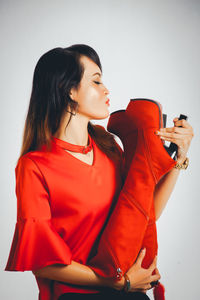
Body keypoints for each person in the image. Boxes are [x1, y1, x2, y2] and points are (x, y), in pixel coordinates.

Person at [5, 44, 194, 300]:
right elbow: (42, 262)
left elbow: (146, 212)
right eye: (96, 82)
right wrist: (118, 282)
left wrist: (179, 160)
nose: (106, 90)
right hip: (74, 296)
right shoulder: (34, 165)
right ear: (68, 89)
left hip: (130, 290)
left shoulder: (108, 147)